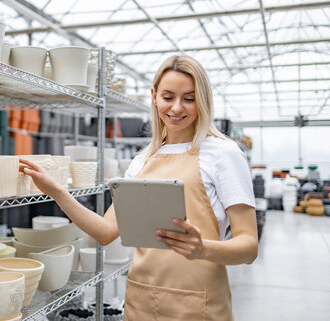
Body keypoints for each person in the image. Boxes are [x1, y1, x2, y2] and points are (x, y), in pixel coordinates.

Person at [19, 55, 258, 320]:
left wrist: (204, 250)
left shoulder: (223, 153)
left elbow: (248, 246)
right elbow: (105, 232)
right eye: (168, 97)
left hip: (197, 302)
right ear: (154, 96)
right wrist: (58, 192)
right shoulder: (143, 160)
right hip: (142, 300)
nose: (177, 108)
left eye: (189, 99)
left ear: (203, 99)